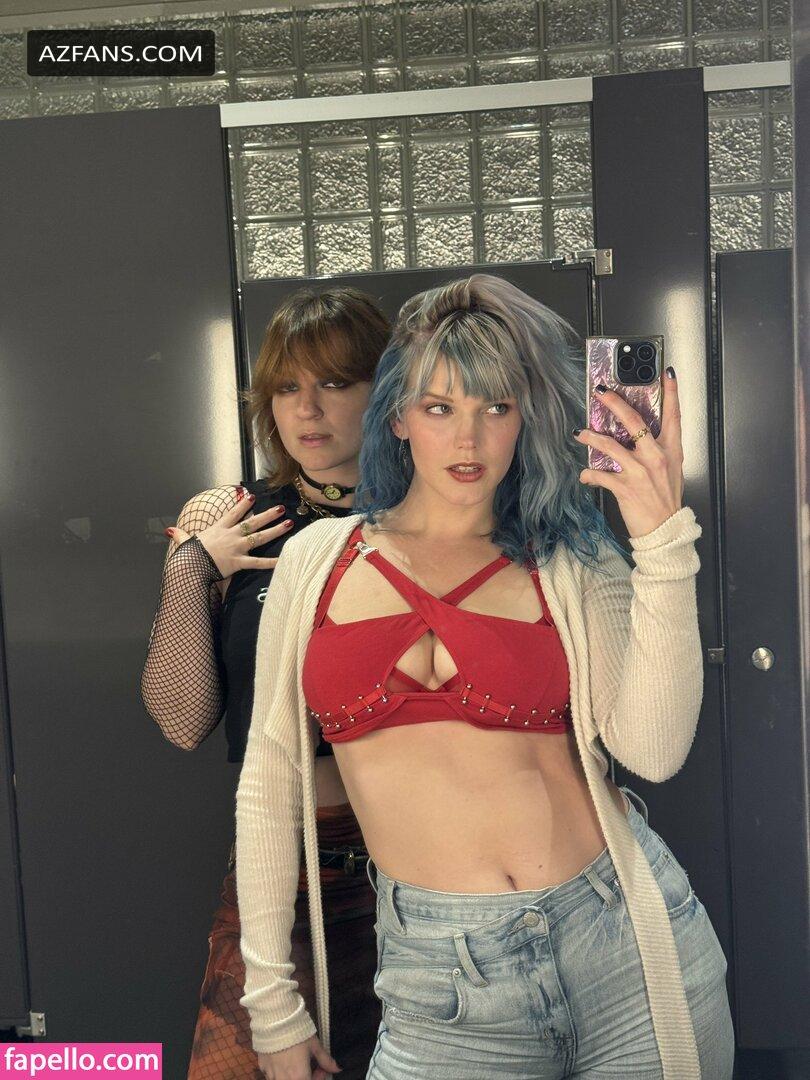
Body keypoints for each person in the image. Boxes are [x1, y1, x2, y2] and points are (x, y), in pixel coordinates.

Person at [235, 272, 735, 1080]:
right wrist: (271, 1003)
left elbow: (655, 752)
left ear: (523, 419)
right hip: (441, 981)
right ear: (397, 418)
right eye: (440, 408)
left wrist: (660, 541)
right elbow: (270, 776)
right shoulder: (315, 561)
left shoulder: (570, 560)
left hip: (626, 944)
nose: (468, 438)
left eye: (496, 406)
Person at [140, 285, 391, 1079]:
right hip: (281, 851)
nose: (306, 410)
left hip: (420, 858)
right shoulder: (233, 514)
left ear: (385, 388)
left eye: (335, 382)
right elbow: (183, 721)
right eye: (286, 387)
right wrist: (191, 568)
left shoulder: (436, 514)